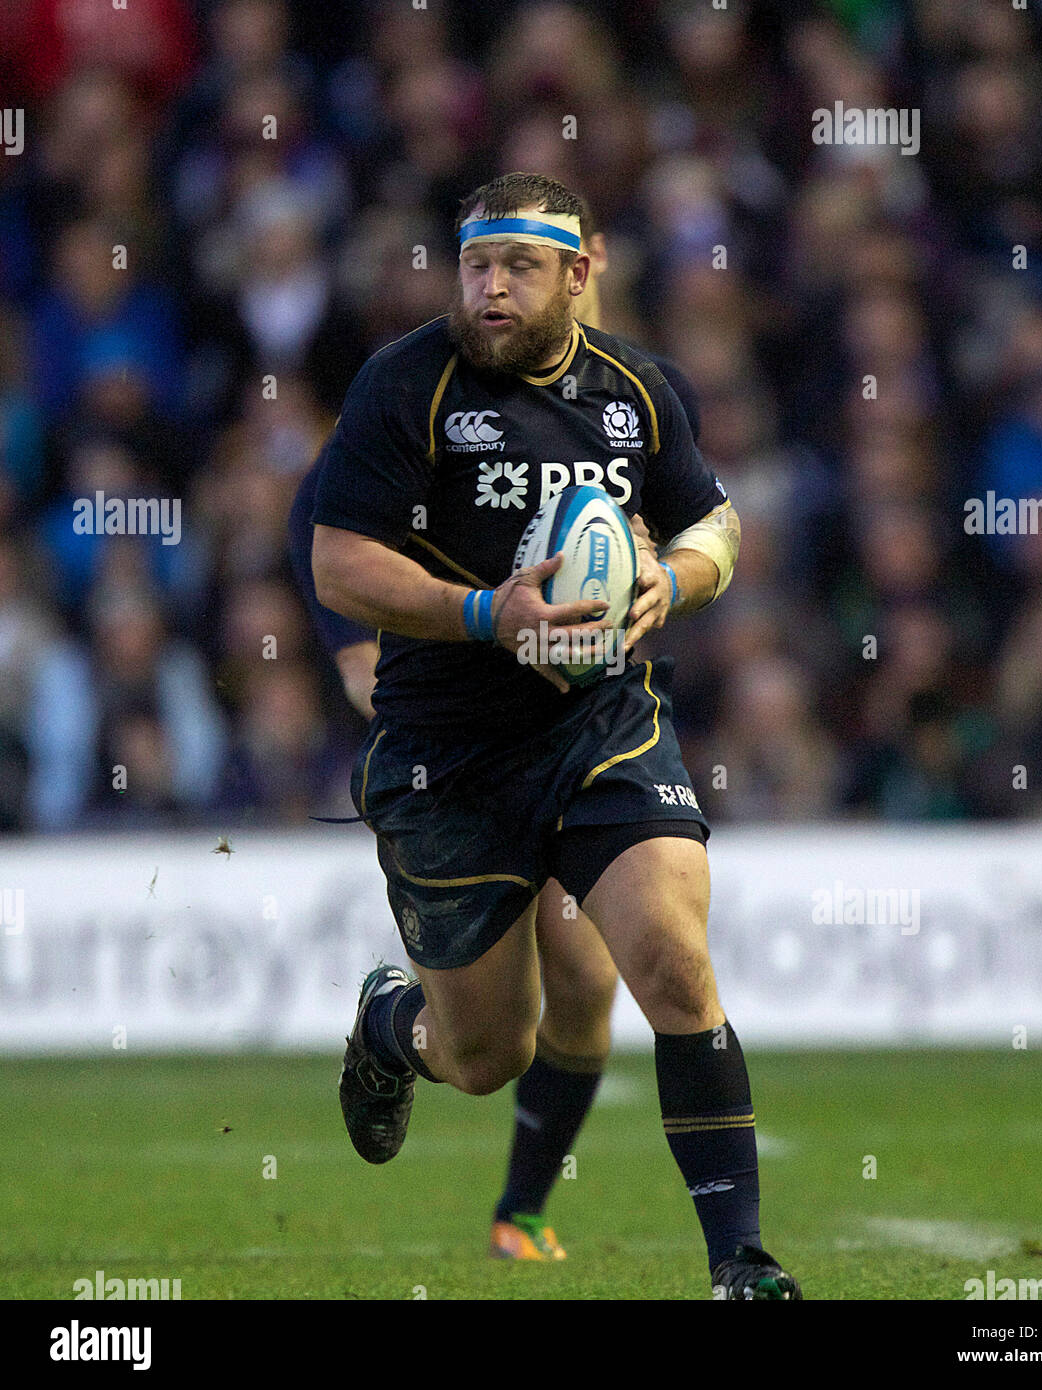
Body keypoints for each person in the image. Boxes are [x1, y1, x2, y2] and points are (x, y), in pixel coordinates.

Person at [310, 172, 799, 1299]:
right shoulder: (405, 384)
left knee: (673, 963)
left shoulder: (637, 390)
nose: (488, 288)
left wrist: (669, 584)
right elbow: (341, 561)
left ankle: (740, 1263)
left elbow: (711, 521)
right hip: (448, 751)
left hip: (602, 727)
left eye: (517, 267)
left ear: (579, 274)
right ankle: (393, 1027)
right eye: (474, 264)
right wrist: (489, 612)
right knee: (486, 1055)